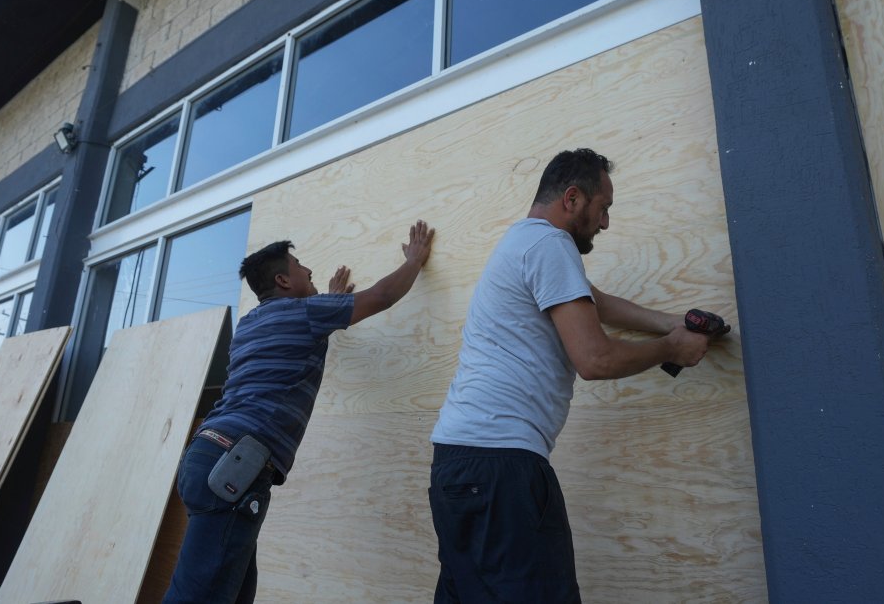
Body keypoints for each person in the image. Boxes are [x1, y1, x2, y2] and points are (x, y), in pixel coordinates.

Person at [428, 149, 730, 603]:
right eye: (603, 208)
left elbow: (596, 301)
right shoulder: (550, 245)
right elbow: (595, 360)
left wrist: (672, 323)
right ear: (572, 198)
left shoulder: (522, 243)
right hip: (502, 467)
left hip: (456, 464)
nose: (605, 223)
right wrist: (671, 349)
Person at [163, 220, 435, 604]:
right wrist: (414, 261)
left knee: (232, 593)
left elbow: (300, 336)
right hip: (233, 465)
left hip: (208, 456)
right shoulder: (307, 314)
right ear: (284, 281)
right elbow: (383, 296)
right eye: (299, 266)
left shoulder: (250, 323)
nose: (308, 271)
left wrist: (330, 302)